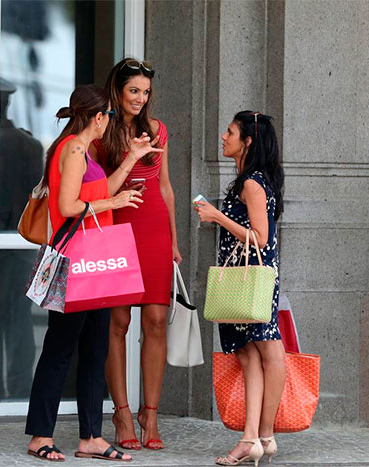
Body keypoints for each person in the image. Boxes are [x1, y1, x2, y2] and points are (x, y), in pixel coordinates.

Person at [25, 84, 162, 462]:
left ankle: (91, 437)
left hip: (95, 265)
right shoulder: (71, 149)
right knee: (60, 348)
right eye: (110, 116)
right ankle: (40, 435)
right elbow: (69, 205)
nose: (110, 122)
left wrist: (132, 159)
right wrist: (112, 202)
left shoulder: (83, 151)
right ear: (99, 116)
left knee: (95, 347)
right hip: (76, 262)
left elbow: (101, 190)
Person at [91, 58, 180, 451]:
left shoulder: (158, 130)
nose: (141, 99)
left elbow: (165, 186)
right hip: (116, 230)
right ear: (118, 91)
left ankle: (151, 413)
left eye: (145, 92)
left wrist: (174, 241)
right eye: (134, 91)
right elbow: (93, 191)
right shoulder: (102, 132)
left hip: (155, 229)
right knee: (118, 323)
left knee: (157, 320)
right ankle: (122, 411)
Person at [194, 111, 286, 467]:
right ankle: (253, 438)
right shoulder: (249, 179)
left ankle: (262, 435)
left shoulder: (252, 183)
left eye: (230, 131)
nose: (223, 136)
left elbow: (261, 239)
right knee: (248, 354)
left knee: (269, 351)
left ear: (247, 141)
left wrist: (217, 217)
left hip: (250, 281)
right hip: (241, 281)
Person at [0, 78, 43, 399]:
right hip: (20, 240)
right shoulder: (29, 144)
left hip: (5, 242)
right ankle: (18, 390)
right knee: (18, 319)